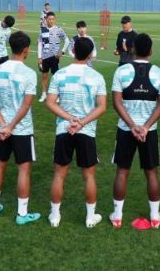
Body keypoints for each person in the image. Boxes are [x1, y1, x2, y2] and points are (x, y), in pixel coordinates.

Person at [46, 37, 107, 228]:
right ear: (90, 54)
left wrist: (70, 119)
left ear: (72, 51)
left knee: (59, 174)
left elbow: (50, 102)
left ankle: (55, 217)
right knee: (88, 176)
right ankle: (90, 217)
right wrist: (80, 123)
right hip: (86, 131)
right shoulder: (96, 76)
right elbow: (102, 107)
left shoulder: (60, 74)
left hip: (64, 130)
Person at [109, 34, 160, 228]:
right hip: (149, 132)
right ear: (151, 51)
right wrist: (146, 127)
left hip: (126, 129)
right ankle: (155, 217)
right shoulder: (159, 74)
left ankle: (117, 216)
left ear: (132, 49)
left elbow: (117, 102)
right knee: (152, 173)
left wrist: (132, 125)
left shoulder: (122, 71)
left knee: (122, 171)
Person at [0, 31, 41, 225]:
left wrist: (3, 124)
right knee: (24, 170)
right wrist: (10, 125)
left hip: (3, 128)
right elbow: (26, 105)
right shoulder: (28, 73)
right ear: (26, 50)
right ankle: (22, 213)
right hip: (22, 129)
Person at [37, 11, 68, 103]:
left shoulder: (59, 29)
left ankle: (57, 95)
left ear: (55, 20)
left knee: (56, 77)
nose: (51, 21)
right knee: (44, 76)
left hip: (55, 57)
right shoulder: (42, 30)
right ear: (46, 20)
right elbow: (39, 44)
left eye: (52, 19)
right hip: (44, 57)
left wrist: (62, 52)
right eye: (49, 19)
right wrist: (39, 57)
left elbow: (66, 40)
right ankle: (44, 94)